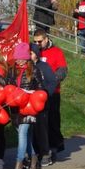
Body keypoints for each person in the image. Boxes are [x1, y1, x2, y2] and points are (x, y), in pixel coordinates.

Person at [7, 43, 43, 169]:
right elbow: (7, 86)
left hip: (29, 107)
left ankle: (19, 163)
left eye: (21, 58)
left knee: (22, 133)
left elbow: (41, 88)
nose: (19, 61)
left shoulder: (34, 70)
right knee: (25, 136)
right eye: (17, 58)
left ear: (27, 58)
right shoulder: (12, 70)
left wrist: (29, 93)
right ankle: (33, 159)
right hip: (16, 107)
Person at [33, 29, 67, 160]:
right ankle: (42, 148)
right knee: (40, 123)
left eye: (40, 41)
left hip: (52, 92)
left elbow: (62, 70)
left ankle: (55, 145)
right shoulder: (33, 52)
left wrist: (51, 80)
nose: (37, 44)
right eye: (35, 41)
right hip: (37, 94)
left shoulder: (56, 52)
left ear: (46, 39)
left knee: (53, 121)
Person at [30, 43, 57, 167]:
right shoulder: (26, 67)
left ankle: (46, 153)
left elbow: (52, 81)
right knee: (32, 130)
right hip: (29, 104)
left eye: (31, 53)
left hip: (42, 103)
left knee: (41, 129)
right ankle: (34, 154)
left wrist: (45, 93)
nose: (29, 56)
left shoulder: (44, 66)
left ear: (36, 54)